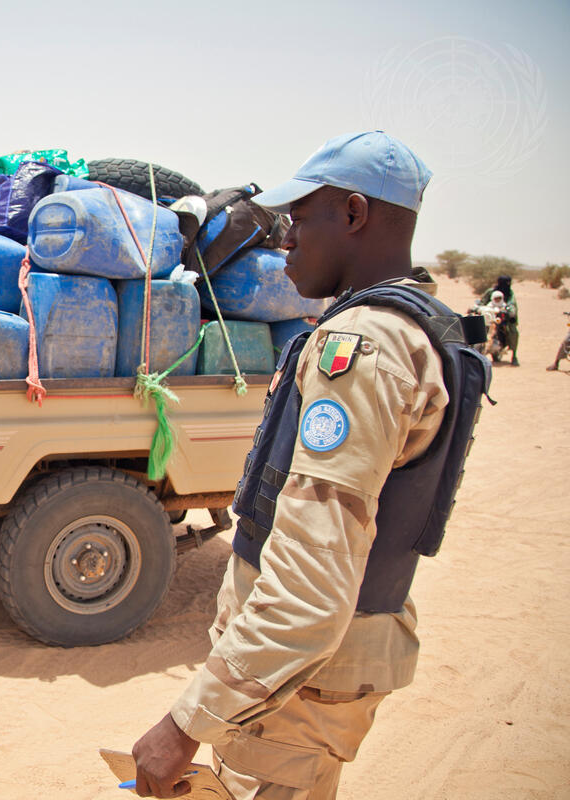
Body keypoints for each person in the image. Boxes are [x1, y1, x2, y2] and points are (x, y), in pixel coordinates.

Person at [133, 132, 463, 798]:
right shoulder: (415, 327)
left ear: (354, 213)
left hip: (299, 687)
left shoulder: (362, 347)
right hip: (309, 675)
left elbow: (313, 579)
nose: (285, 240)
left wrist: (186, 724)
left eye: (300, 220)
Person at [480, 275, 519, 365]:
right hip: (489, 315)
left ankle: (514, 356)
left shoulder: (510, 293)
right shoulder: (490, 292)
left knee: (513, 332)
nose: (506, 285)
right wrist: (480, 308)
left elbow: (512, 304)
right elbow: (483, 301)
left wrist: (510, 313)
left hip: (504, 316)